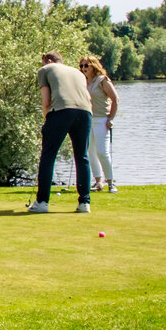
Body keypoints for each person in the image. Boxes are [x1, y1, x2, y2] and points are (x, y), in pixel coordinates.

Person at [28, 50, 93, 214]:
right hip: (85, 113)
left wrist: (47, 119)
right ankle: (84, 203)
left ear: (48, 60)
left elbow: (46, 101)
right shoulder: (78, 73)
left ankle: (42, 202)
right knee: (82, 156)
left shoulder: (45, 69)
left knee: (48, 155)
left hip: (62, 111)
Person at [79, 54, 120, 193]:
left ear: (93, 66)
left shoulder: (102, 80)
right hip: (87, 120)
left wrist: (111, 118)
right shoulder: (83, 82)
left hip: (102, 120)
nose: (83, 68)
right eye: (82, 66)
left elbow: (115, 99)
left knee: (102, 152)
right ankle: (98, 182)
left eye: (86, 65)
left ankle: (110, 183)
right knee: (90, 152)